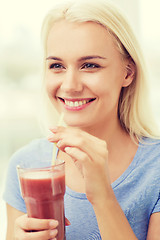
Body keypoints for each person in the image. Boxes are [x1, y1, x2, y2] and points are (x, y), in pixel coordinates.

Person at [3, 0, 160, 239]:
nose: (70, 86)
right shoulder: (28, 165)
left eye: (89, 65)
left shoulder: (155, 168)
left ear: (127, 72)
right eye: (57, 65)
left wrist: (103, 197)